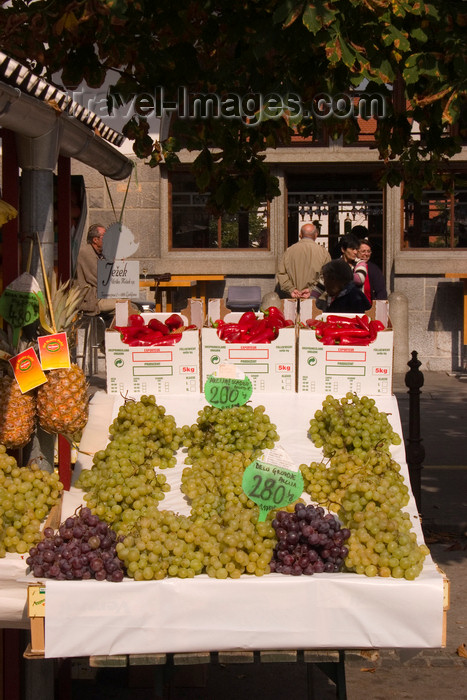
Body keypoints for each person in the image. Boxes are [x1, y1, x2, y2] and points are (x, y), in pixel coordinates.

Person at [276, 223, 331, 299]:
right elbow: (327, 277)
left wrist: (291, 289)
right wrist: (311, 290)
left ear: (300, 234)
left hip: (292, 299)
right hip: (316, 299)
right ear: (316, 235)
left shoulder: (289, 251)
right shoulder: (324, 253)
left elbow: (282, 274)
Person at [75, 223, 116, 320]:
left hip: (101, 296)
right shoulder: (85, 253)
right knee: (127, 306)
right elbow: (99, 279)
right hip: (91, 300)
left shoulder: (99, 253)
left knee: (129, 305)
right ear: (95, 240)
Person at [338, 233, 371, 303]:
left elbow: (360, 278)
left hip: (356, 305)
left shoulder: (360, 263)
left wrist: (337, 275)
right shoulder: (334, 264)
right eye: (352, 249)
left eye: (356, 249)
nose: (355, 252)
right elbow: (320, 286)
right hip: (337, 305)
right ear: (343, 249)